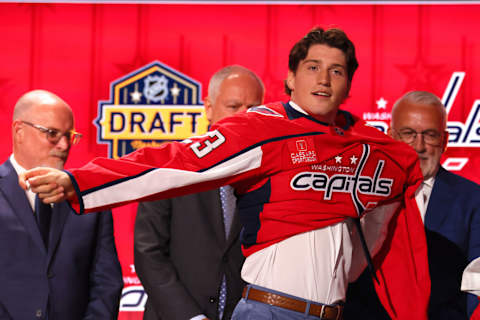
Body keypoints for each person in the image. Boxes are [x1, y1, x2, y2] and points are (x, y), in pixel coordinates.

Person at [20, 28, 431, 320]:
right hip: (269, 310)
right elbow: (177, 160)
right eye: (311, 67)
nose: (323, 78)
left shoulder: (368, 150)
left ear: (348, 85)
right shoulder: (262, 130)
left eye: (337, 71)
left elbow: (379, 233)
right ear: (289, 78)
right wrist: (83, 180)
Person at [134, 65, 264, 320]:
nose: (244, 116)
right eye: (233, 106)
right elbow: (148, 253)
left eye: (253, 108)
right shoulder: (170, 166)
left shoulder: (267, 177)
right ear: (208, 108)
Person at [345, 91, 480, 319]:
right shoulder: (359, 193)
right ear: (390, 137)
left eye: (430, 135)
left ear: (445, 141)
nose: (419, 146)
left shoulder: (473, 199)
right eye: (408, 133)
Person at [0, 90, 123, 319]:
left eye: (70, 135)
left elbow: (106, 283)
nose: (64, 145)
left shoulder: (88, 197)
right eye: (53, 134)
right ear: (19, 131)